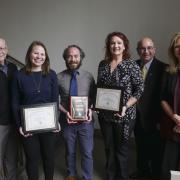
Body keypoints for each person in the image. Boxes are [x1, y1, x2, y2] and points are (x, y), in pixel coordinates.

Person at [97, 31, 144, 180]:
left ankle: (123, 177)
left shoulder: (132, 65)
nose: (115, 45)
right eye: (112, 43)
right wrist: (97, 103)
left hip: (125, 115)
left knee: (122, 150)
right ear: (108, 46)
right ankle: (110, 176)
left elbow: (139, 89)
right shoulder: (103, 65)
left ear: (124, 46)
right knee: (109, 148)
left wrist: (126, 106)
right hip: (105, 115)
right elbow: (100, 87)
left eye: (119, 43)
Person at [12, 41, 60, 180]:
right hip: (28, 126)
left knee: (49, 158)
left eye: (42, 54)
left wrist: (56, 120)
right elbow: (15, 102)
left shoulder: (51, 75)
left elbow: (55, 100)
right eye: (36, 53)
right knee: (32, 159)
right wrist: (19, 125)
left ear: (46, 57)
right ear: (29, 54)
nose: (39, 56)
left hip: (49, 125)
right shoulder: (18, 75)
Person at [130, 37, 167, 180]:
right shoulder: (132, 65)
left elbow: (164, 95)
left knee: (156, 148)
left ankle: (155, 174)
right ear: (138, 50)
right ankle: (142, 172)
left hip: (155, 117)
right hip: (136, 114)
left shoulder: (164, 68)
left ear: (154, 49)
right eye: (142, 48)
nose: (146, 51)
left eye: (149, 48)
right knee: (140, 145)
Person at [58, 45, 95, 180]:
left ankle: (87, 177)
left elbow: (94, 98)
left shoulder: (89, 77)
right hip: (67, 121)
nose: (73, 59)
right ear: (65, 58)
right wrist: (64, 111)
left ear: (81, 58)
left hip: (86, 122)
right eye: (69, 56)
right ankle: (71, 174)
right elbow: (54, 101)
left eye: (76, 56)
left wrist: (91, 110)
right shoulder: (59, 77)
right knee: (69, 151)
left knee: (87, 152)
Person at [161, 32, 180, 180]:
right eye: (177, 46)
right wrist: (175, 118)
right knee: (170, 167)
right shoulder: (169, 72)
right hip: (173, 126)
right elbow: (163, 99)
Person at [0, 38, 19, 180]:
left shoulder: (13, 68)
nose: (0, 51)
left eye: (2, 48)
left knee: (11, 157)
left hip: (13, 120)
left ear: (7, 50)